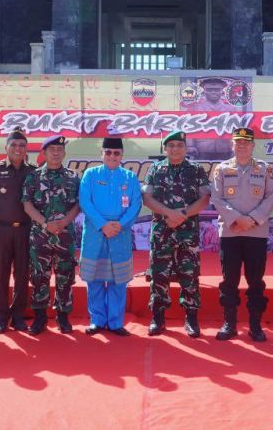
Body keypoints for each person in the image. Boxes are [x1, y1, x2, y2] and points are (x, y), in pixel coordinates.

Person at [210, 127, 273, 342]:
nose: (242, 146)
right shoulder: (222, 169)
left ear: (253, 145)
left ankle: (255, 325)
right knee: (229, 279)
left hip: (256, 233)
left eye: (246, 142)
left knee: (255, 281)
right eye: (238, 142)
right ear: (232, 144)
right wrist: (237, 219)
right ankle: (229, 323)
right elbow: (217, 198)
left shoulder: (264, 169)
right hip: (230, 232)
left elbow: (270, 197)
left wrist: (252, 219)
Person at [141, 131, 211, 338]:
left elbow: (205, 198)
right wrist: (169, 213)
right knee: (158, 274)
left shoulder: (196, 169)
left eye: (179, 145)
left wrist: (182, 215)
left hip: (187, 232)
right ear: (165, 149)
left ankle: (191, 318)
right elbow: (147, 198)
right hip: (162, 231)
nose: (175, 149)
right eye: (171, 146)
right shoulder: (155, 169)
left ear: (186, 148)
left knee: (189, 274)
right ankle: (158, 317)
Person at [78, 137, 142, 337]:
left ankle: (115, 322)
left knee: (118, 281)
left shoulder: (130, 177)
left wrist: (120, 225)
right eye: (108, 152)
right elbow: (85, 202)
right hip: (96, 232)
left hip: (120, 234)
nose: (112, 156)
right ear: (102, 154)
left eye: (116, 153)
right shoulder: (90, 174)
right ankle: (97, 320)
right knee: (94, 280)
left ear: (122, 155)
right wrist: (103, 225)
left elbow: (136, 204)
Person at [22, 135, 81, 335]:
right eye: (52, 150)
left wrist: (63, 222)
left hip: (65, 235)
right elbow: (27, 204)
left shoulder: (73, 177)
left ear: (64, 153)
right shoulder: (33, 177)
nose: (56, 153)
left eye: (59, 149)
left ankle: (63, 317)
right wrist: (45, 224)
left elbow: (78, 204)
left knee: (66, 276)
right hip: (41, 235)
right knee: (39, 276)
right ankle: (40, 318)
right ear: (44, 153)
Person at [0, 127, 36, 333]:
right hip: (1, 231)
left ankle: (18, 316)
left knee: (22, 275)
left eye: (22, 145)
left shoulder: (33, 172)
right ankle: (1, 317)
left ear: (27, 149)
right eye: (13, 145)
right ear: (6, 147)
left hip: (25, 230)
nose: (17, 148)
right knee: (0, 275)